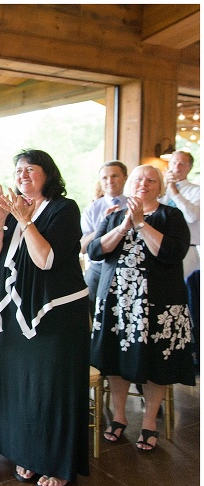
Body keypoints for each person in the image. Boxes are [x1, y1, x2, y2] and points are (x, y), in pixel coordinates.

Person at [0, 148, 90, 486]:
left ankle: (59, 464)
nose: (22, 175)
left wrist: (26, 220)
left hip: (56, 313)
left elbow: (45, 259)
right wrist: (1, 217)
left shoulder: (64, 208)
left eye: (30, 169)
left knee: (51, 389)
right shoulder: (14, 210)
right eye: (18, 170)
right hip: (16, 313)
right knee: (22, 386)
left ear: (48, 174)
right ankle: (27, 453)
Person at [89, 164, 195, 451]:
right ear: (129, 184)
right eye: (138, 179)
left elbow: (172, 253)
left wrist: (140, 224)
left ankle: (149, 423)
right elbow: (95, 251)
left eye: (151, 180)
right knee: (115, 360)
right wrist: (124, 225)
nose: (144, 184)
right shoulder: (112, 215)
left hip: (158, 305)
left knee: (156, 364)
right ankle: (120, 416)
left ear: (160, 187)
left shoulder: (170, 216)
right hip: (118, 303)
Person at [80, 161, 129, 315]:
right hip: (98, 269)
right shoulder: (92, 209)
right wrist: (103, 225)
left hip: (127, 268)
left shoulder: (135, 204)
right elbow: (82, 247)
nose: (110, 181)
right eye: (105, 178)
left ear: (125, 178)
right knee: (91, 313)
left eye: (115, 176)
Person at [162, 151, 200, 278]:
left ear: (190, 167)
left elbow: (192, 216)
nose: (177, 167)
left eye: (182, 164)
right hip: (160, 246)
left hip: (187, 249)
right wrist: (163, 188)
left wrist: (174, 192)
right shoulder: (159, 191)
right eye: (174, 163)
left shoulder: (196, 191)